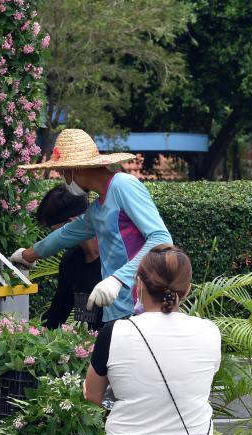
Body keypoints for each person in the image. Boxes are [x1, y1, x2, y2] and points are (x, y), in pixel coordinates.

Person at [82, 244, 226, 435]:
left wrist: (116, 398)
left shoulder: (115, 332)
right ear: (187, 289)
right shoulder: (210, 332)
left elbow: (92, 393)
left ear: (138, 284)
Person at [11, 129, 172, 323]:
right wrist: (28, 255)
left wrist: (118, 279)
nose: (63, 178)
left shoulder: (123, 185)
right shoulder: (98, 210)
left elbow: (161, 239)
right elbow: (65, 234)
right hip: (116, 311)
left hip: (140, 308)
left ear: (74, 169)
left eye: (62, 172)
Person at [34, 185, 103, 329]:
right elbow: (58, 312)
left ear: (72, 224)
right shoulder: (71, 261)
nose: (51, 240)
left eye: (54, 232)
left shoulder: (115, 258)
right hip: (88, 346)